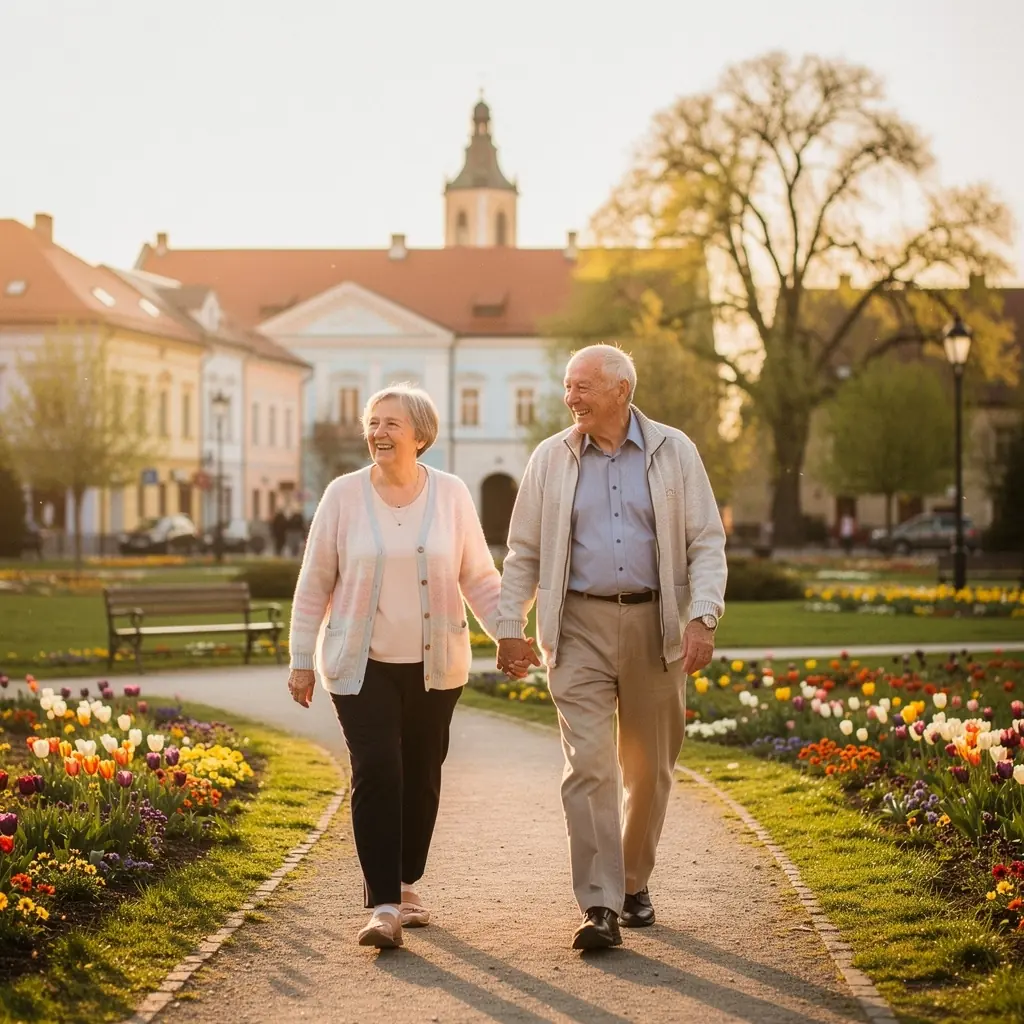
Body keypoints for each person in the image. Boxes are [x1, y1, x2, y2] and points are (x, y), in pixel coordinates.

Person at [496, 344, 727, 951]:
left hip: (659, 625)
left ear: (621, 391)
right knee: (589, 765)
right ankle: (599, 904)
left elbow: (706, 541)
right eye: (569, 387)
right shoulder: (551, 458)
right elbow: (523, 551)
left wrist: (703, 617)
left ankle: (631, 881)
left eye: (583, 387)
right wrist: (509, 626)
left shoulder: (675, 451)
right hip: (578, 627)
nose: (571, 398)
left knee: (650, 769)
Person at [286, 384, 523, 950]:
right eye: (373, 422)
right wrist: (301, 661)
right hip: (358, 663)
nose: (378, 433)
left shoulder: (451, 494)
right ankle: (383, 904)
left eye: (391, 423)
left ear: (420, 434)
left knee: (422, 773)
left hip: (434, 666)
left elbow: (479, 577)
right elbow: (314, 581)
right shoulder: (343, 496)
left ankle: (406, 880)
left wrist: (509, 634)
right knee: (377, 769)